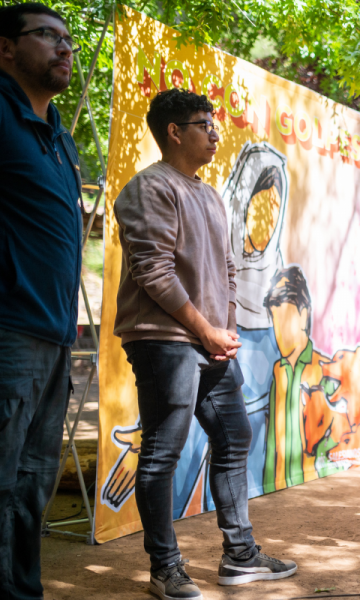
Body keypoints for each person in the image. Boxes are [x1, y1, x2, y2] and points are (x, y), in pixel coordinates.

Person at [114, 88, 296, 600]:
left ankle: (240, 556)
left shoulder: (209, 193)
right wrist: (206, 328)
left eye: (214, 123)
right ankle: (164, 569)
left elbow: (228, 269)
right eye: (203, 123)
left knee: (234, 438)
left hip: (211, 341)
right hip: (164, 340)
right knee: (162, 455)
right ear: (174, 132)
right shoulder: (148, 188)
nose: (216, 131)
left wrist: (226, 327)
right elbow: (153, 271)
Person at [0, 4, 83, 598]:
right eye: (47, 36)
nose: (64, 47)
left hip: (55, 337)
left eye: (68, 39)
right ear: (6, 49)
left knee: (33, 482)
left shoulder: (60, 137)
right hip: (8, 330)